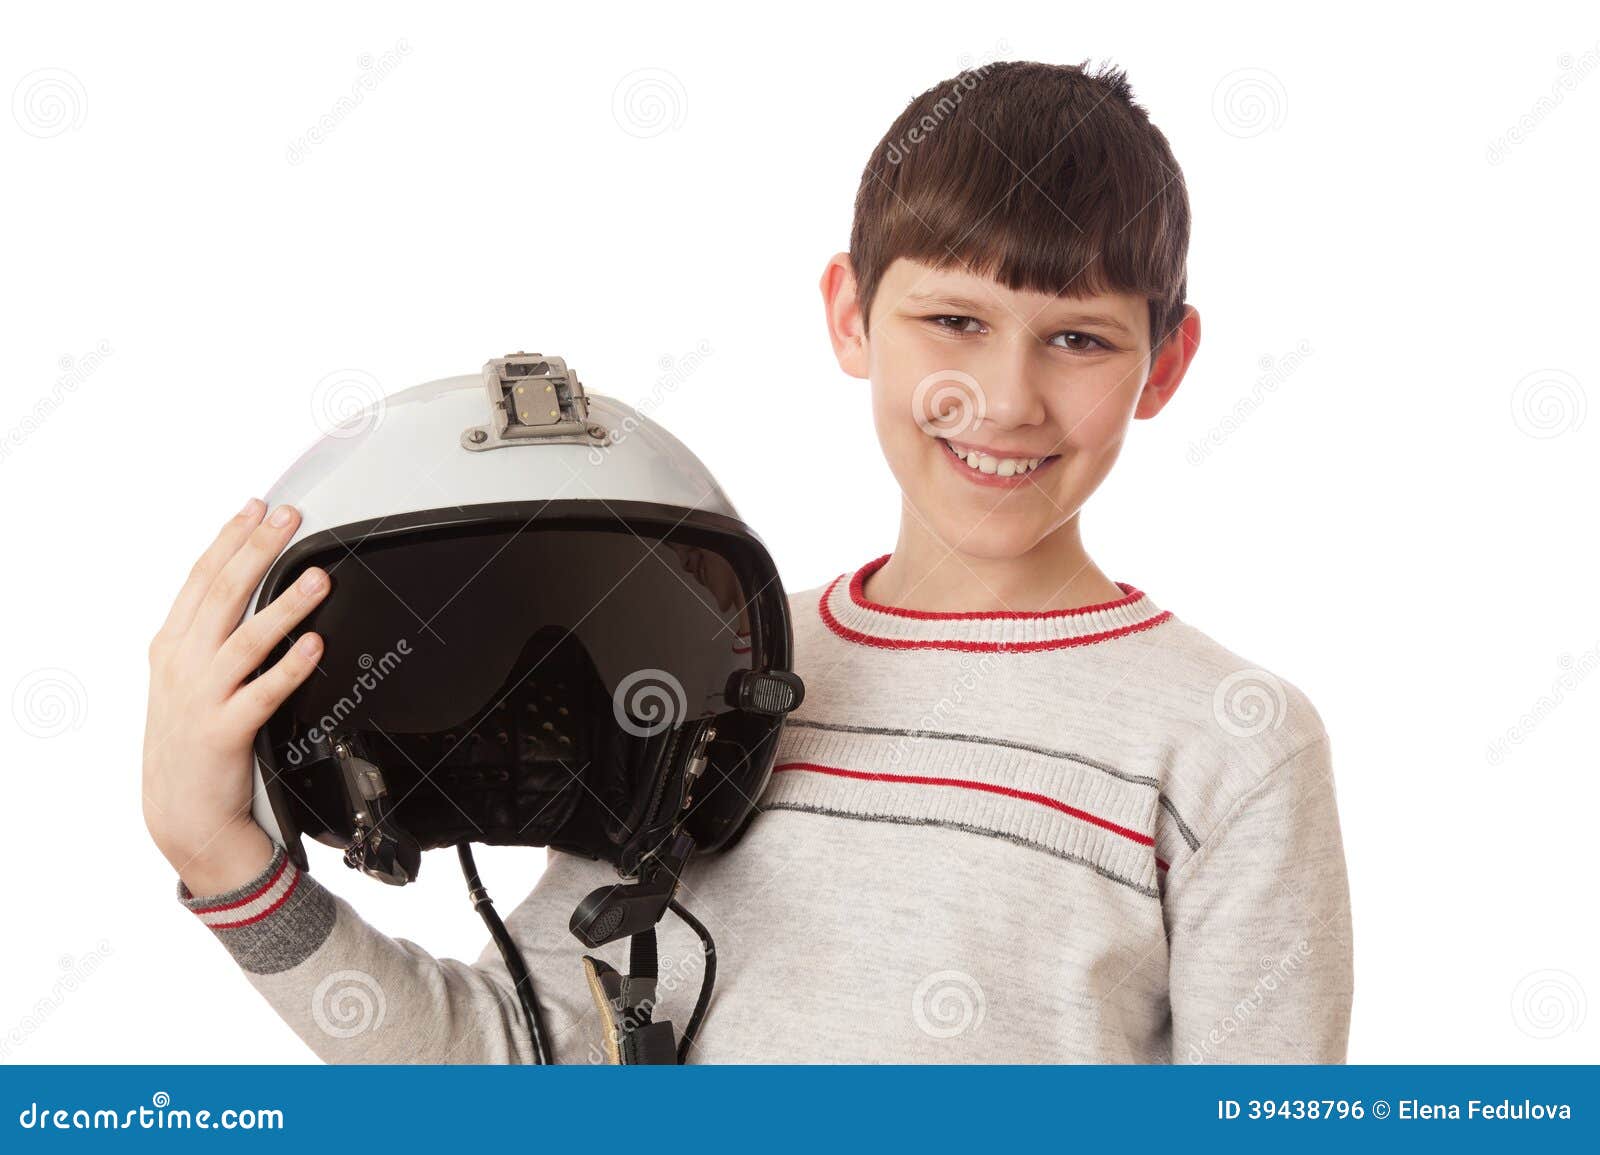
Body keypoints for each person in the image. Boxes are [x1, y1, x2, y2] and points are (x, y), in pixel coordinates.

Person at [143, 59, 1352, 1063]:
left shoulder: (1230, 745)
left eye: (1078, 339)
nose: (1003, 398)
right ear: (849, 314)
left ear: (1166, 363)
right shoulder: (702, 659)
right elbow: (525, 1065)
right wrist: (223, 857)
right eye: (954, 321)